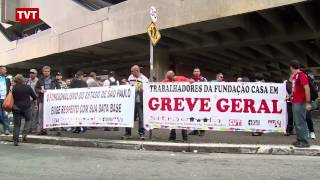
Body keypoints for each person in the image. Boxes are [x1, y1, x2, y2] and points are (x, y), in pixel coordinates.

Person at [163, 70, 194, 142]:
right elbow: (159, 86)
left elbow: (190, 81)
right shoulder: (166, 81)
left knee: (183, 120)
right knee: (173, 120)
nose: (169, 80)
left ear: (173, 75)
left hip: (182, 103)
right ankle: (172, 136)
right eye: (168, 78)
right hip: (172, 104)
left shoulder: (182, 78)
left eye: (170, 78)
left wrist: (191, 81)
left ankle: (185, 137)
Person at [122, 65, 149, 140]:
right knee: (129, 117)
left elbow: (147, 91)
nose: (131, 73)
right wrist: (126, 84)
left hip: (140, 101)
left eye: (132, 71)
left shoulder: (144, 79)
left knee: (141, 118)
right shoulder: (131, 77)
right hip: (131, 102)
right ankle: (128, 133)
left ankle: (141, 133)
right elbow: (129, 87)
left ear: (137, 71)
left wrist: (141, 88)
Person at [290, 60, 311, 148]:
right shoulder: (296, 76)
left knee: (301, 122)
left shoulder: (302, 75)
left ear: (291, 67)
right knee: (296, 122)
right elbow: (295, 89)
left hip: (300, 102)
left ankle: (305, 141)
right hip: (295, 101)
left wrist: (308, 102)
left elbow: (307, 88)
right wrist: (291, 96)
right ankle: (299, 140)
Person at [11, 74, 37, 146]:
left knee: (17, 124)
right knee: (28, 120)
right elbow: (34, 97)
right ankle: (24, 135)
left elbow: (9, 97)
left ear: (15, 80)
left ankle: (15, 140)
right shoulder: (28, 87)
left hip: (16, 107)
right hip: (27, 107)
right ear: (23, 80)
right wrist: (35, 105)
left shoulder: (13, 88)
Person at [35, 66, 60, 135]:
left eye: (48, 71)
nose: (46, 72)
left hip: (52, 100)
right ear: (43, 72)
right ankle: (42, 130)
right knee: (41, 115)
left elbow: (58, 88)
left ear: (50, 72)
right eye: (45, 71)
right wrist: (40, 90)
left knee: (54, 114)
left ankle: (57, 129)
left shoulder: (54, 79)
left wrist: (54, 93)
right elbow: (36, 88)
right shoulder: (40, 80)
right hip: (42, 100)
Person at [189, 67, 207, 136]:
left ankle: (202, 131)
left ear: (200, 73)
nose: (196, 72)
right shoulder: (191, 80)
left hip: (202, 100)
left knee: (202, 115)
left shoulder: (203, 79)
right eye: (195, 71)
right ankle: (195, 130)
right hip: (193, 100)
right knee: (194, 115)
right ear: (193, 73)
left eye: (198, 71)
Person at [26, 69, 39, 134]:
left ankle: (34, 128)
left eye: (33, 73)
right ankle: (29, 128)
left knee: (35, 114)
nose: (31, 74)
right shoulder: (28, 81)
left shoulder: (38, 81)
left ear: (36, 74)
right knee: (29, 114)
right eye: (30, 73)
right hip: (28, 100)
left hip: (35, 100)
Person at [0, 65, 11, 135]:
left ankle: (7, 129)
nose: (5, 71)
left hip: (5, 99)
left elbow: (10, 87)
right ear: (0, 70)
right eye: (4, 69)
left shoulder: (7, 78)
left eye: (6, 70)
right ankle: (3, 127)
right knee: (0, 115)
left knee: (5, 115)